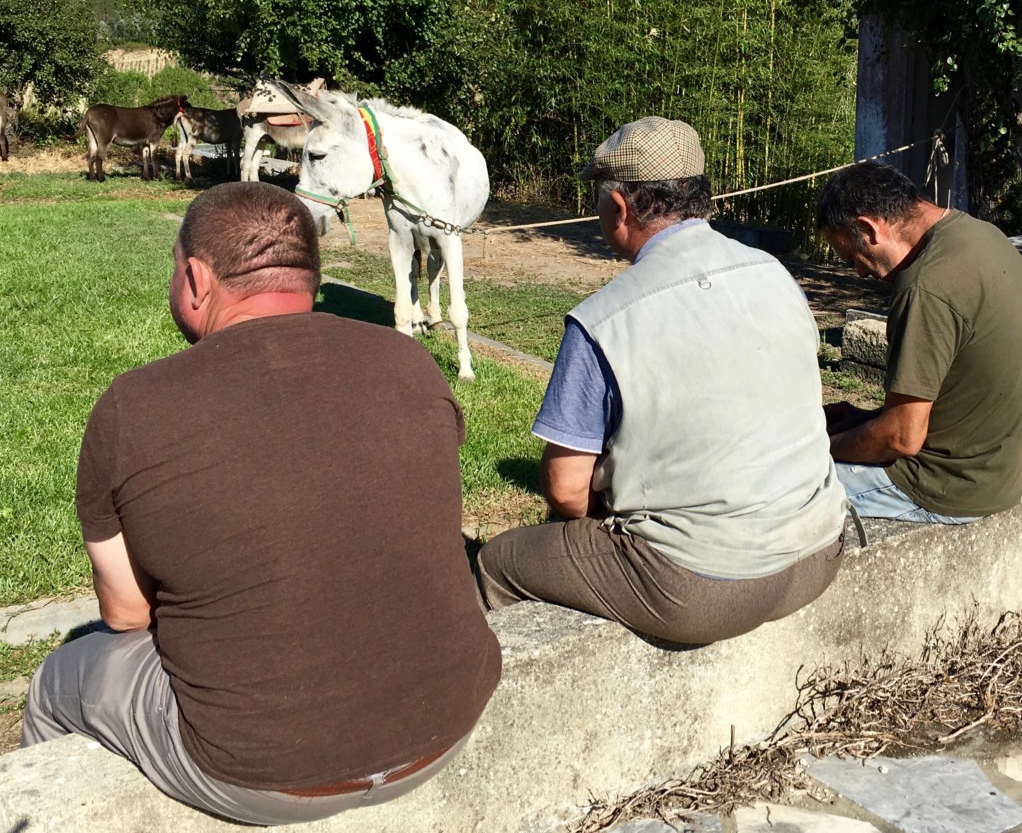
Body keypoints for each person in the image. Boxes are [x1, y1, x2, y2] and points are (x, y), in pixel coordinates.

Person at [22, 182, 501, 826]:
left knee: (59, 679)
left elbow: (129, 614)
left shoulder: (133, 405)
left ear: (195, 278)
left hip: (256, 772)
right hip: (448, 724)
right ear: (308, 274)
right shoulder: (409, 361)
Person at [475, 116, 848, 645]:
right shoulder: (774, 272)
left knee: (499, 560)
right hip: (817, 553)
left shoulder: (602, 320)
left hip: (698, 588)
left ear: (619, 207)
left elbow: (566, 488)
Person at [817, 161, 1022, 523]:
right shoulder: (981, 235)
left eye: (852, 258)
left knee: (771, 492)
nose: (859, 272)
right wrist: (865, 421)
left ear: (868, 228)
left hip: (944, 488)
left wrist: (818, 450)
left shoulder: (925, 285)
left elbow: (902, 437)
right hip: (993, 475)